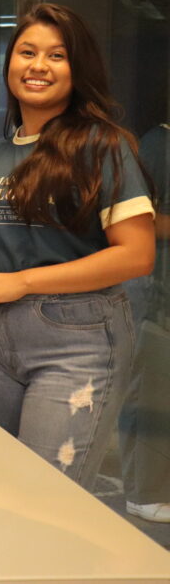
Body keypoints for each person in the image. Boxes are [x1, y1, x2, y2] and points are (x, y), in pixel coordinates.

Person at [0, 3, 155, 490]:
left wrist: (23, 282)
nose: (38, 65)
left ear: (77, 69)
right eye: (27, 52)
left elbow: (136, 254)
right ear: (9, 63)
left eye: (56, 55)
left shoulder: (102, 145)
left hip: (76, 339)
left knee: (44, 497)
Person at [118, 122, 170, 521]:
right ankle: (144, 491)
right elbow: (140, 221)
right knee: (150, 383)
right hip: (153, 283)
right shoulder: (159, 144)